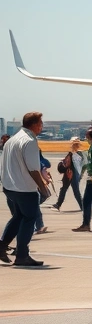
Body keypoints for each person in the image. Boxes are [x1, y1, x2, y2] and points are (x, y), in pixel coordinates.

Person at [0, 112, 51, 266]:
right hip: (25, 188)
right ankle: (22, 255)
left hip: (10, 187)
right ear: (34, 124)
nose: (42, 126)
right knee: (29, 218)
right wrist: (42, 188)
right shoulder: (29, 141)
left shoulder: (13, 139)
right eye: (41, 123)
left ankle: (2, 246)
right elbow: (33, 169)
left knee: (18, 217)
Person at [54, 137, 85, 212]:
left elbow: (81, 165)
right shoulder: (73, 153)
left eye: (74, 144)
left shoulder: (78, 154)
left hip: (73, 174)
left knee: (75, 191)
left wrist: (80, 174)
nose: (73, 145)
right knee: (64, 189)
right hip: (69, 174)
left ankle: (83, 206)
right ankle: (58, 204)